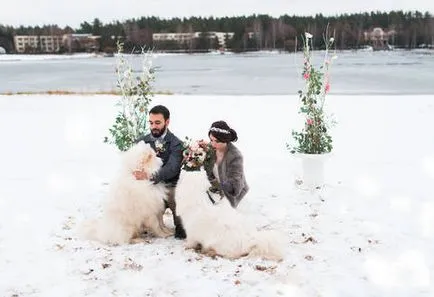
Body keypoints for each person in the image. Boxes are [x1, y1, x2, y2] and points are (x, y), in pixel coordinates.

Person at [133, 105, 186, 239]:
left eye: (157, 123)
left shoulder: (176, 143)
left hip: (170, 187)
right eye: (151, 123)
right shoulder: (141, 142)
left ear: (167, 122)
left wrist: (149, 176)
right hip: (149, 188)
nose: (153, 126)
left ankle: (180, 223)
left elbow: (172, 168)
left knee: (181, 232)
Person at [204, 120, 249, 208]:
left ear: (224, 140)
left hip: (232, 193)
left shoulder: (235, 156)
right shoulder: (212, 148)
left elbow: (235, 186)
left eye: (216, 141)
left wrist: (215, 186)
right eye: (211, 140)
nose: (212, 143)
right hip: (215, 188)